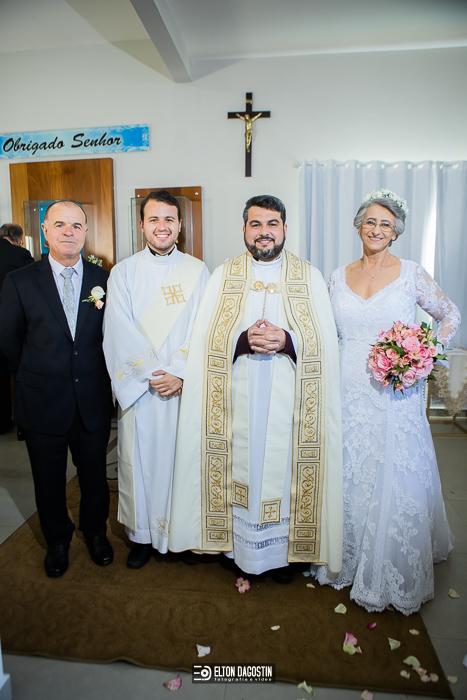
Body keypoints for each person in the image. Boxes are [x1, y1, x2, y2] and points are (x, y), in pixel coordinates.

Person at [169, 195, 343, 583]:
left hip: (290, 397)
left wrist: (289, 340)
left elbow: (326, 343)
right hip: (237, 395)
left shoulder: (309, 276)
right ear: (244, 229)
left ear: (285, 228)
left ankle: (282, 556)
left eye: (272, 224)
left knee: (283, 470)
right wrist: (241, 340)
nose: (264, 232)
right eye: (256, 224)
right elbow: (204, 340)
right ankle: (239, 550)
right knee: (242, 465)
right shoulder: (224, 275)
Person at [309, 189, 461, 614]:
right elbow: (322, 329)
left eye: (386, 225)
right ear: (359, 225)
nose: (377, 230)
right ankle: (344, 554)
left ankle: (389, 563)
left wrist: (423, 354)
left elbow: (450, 315)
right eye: (371, 221)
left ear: (396, 233)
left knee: (391, 466)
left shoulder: (412, 274)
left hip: (394, 388)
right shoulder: (337, 276)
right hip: (345, 384)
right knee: (349, 465)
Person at [0, 201, 113, 577]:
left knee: (95, 475)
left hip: (91, 398)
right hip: (41, 399)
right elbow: (10, 340)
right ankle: (58, 541)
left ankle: (95, 533)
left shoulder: (104, 279)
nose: (69, 232)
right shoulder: (19, 280)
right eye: (60, 224)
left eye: (76, 225)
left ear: (85, 232)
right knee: (48, 479)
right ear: (45, 231)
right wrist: (37, 375)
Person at [103, 190, 210, 569]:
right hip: (142, 390)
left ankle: (183, 535)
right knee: (140, 462)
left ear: (180, 226)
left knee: (184, 460)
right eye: (153, 219)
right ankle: (143, 537)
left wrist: (179, 372)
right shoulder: (123, 273)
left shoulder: (198, 271)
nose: (161, 226)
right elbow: (117, 330)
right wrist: (153, 375)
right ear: (142, 225)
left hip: (182, 388)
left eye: (169, 219)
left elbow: (204, 328)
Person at [0, 223, 33, 434]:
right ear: (18, 238)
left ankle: (2, 422)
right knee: (18, 373)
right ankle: (21, 424)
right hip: (12, 323)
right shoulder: (20, 255)